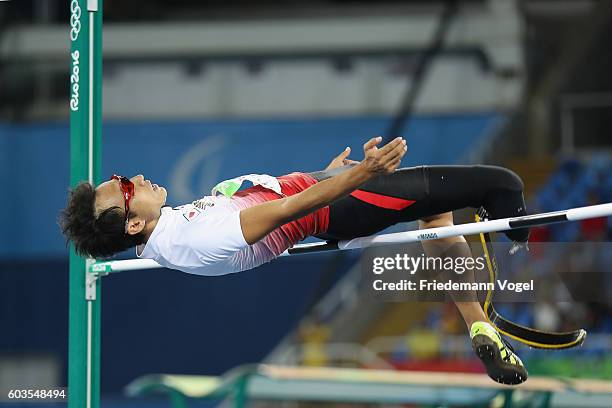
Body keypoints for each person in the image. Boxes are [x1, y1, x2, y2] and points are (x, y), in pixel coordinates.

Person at [60, 136, 529, 385]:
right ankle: (522, 246)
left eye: (121, 176)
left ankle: (476, 322)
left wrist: (324, 173)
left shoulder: (166, 232)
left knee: (438, 216)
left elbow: (272, 200)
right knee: (502, 185)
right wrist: (362, 175)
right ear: (132, 225)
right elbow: (289, 212)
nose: (136, 178)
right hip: (341, 204)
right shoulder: (195, 237)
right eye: (125, 187)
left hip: (328, 193)